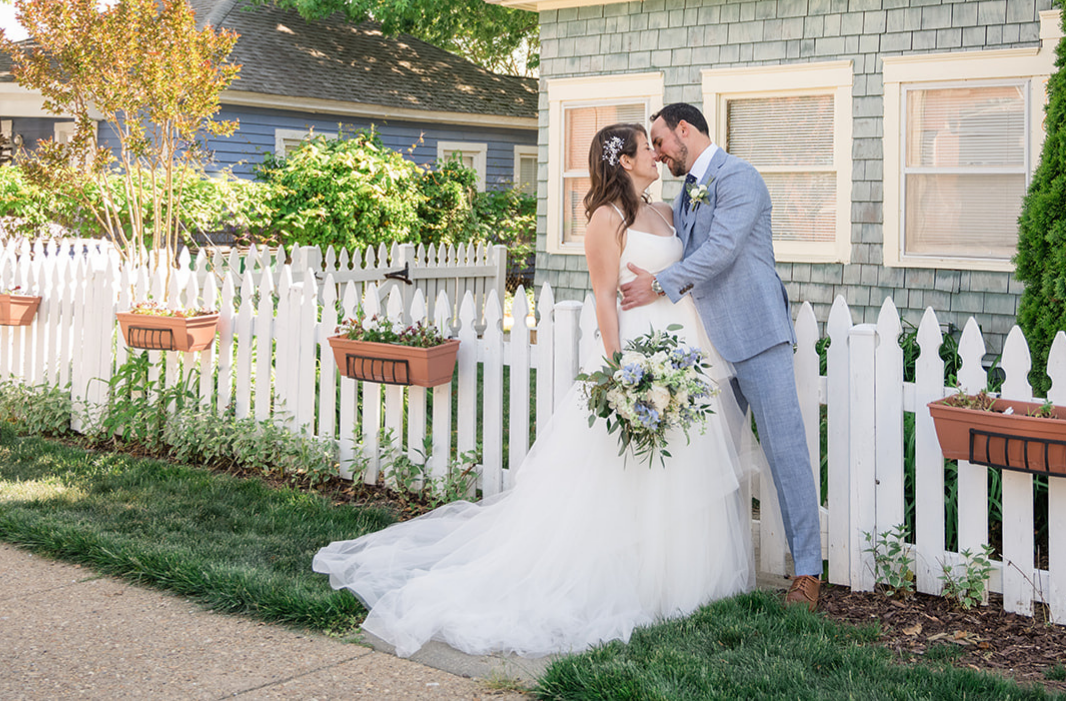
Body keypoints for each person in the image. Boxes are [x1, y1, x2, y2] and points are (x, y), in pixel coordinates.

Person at [311, 122, 753, 657]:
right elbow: (605, 298)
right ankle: (628, 577)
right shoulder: (605, 220)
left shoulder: (663, 211)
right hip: (638, 353)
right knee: (628, 471)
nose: (656, 156)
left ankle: (681, 581)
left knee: (683, 464)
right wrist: (620, 371)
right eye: (645, 149)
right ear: (623, 161)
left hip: (681, 353)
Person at [620, 103, 823, 610]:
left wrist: (660, 285)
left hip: (756, 335)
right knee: (715, 459)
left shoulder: (740, 178)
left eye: (661, 141)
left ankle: (808, 574)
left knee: (785, 450)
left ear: (684, 130)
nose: (660, 153)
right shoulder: (686, 191)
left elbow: (724, 248)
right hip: (706, 346)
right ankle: (726, 567)